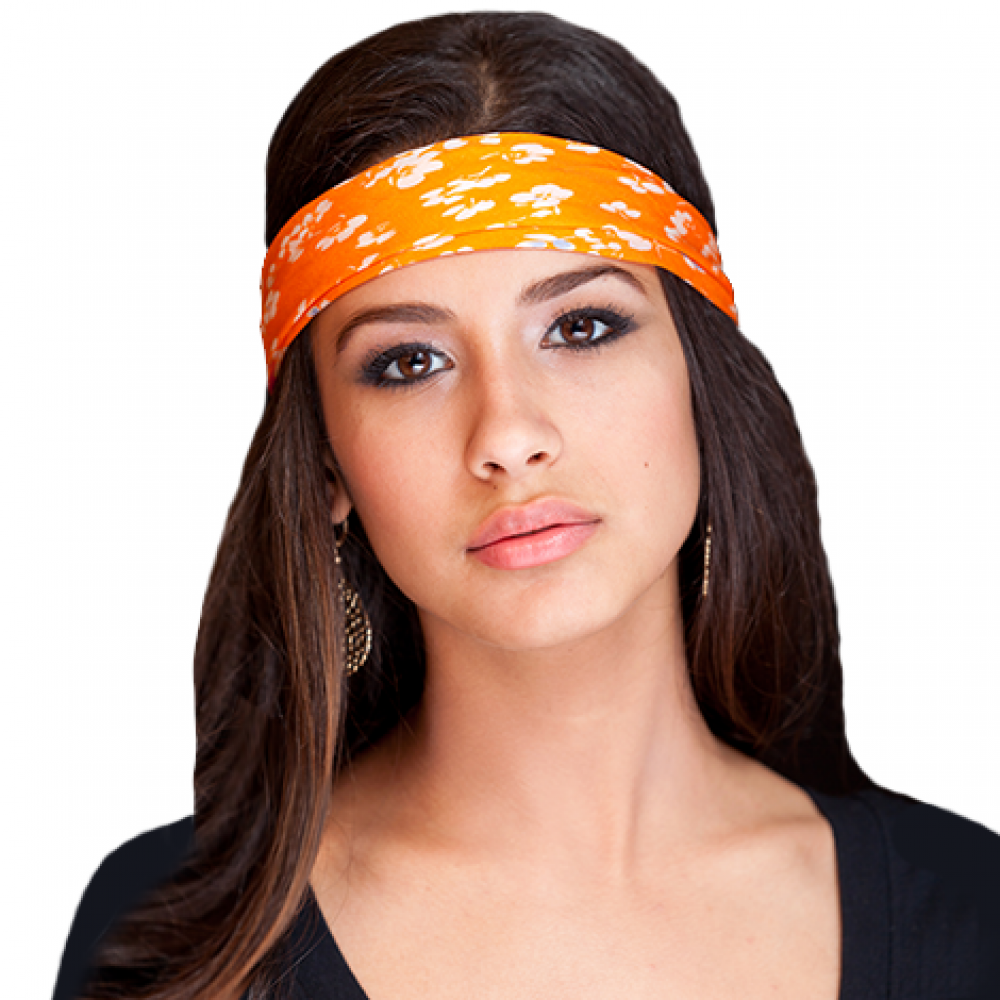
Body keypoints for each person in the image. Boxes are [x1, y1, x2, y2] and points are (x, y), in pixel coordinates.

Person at [52, 11, 1000, 1000]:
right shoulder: (172, 940)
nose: (507, 434)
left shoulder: (972, 916)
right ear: (326, 462)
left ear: (700, 378)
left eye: (581, 326)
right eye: (408, 362)